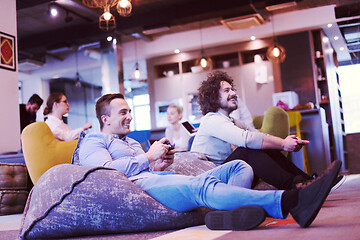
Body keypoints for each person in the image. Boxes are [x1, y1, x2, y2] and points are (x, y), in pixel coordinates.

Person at [79, 93, 341, 231]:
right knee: (202, 188)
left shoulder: (131, 143)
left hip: (159, 178)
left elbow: (145, 165)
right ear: (105, 119)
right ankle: (291, 201)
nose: (129, 117)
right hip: (143, 187)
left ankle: (225, 215)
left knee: (240, 166)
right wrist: (148, 158)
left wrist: (158, 163)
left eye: (129, 111)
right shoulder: (94, 140)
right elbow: (104, 172)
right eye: (123, 112)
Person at [191, 71, 321, 190]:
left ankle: (307, 181)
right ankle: (294, 187)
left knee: (260, 145)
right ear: (213, 98)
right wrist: (283, 144)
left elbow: (259, 136)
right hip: (208, 179)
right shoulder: (211, 120)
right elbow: (246, 139)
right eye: (226, 90)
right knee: (247, 149)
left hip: (227, 172)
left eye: (232, 89)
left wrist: (287, 142)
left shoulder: (234, 122)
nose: (234, 93)